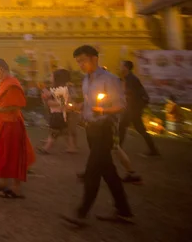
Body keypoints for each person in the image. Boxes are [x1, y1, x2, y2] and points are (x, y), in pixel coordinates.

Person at [61, 45, 133, 227]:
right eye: (78, 62)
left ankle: (81, 213)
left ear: (94, 59)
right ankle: (123, 210)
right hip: (91, 130)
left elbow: (122, 105)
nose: (80, 65)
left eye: (83, 60)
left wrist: (103, 110)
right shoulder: (86, 80)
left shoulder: (110, 79)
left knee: (92, 170)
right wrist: (78, 107)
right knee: (108, 171)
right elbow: (88, 103)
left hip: (105, 129)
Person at [0, 59, 35, 198]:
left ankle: (16, 188)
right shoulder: (5, 83)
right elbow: (4, 98)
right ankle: (4, 182)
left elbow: (15, 106)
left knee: (14, 155)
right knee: (2, 153)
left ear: (1, 69)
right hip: (3, 123)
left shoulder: (12, 84)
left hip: (12, 125)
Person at [119, 60, 159, 157]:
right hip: (133, 108)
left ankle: (118, 148)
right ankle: (153, 150)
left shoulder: (131, 79)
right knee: (137, 129)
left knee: (123, 126)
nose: (120, 67)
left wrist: (124, 96)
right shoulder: (129, 78)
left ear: (126, 67)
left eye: (121, 65)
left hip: (133, 108)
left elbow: (133, 94)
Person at [38, 69, 77, 154]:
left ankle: (46, 148)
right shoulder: (61, 89)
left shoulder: (59, 90)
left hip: (58, 114)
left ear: (57, 79)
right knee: (65, 131)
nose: (50, 78)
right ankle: (71, 147)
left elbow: (61, 101)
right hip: (62, 114)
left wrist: (50, 102)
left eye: (52, 76)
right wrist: (44, 90)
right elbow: (50, 94)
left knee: (53, 132)